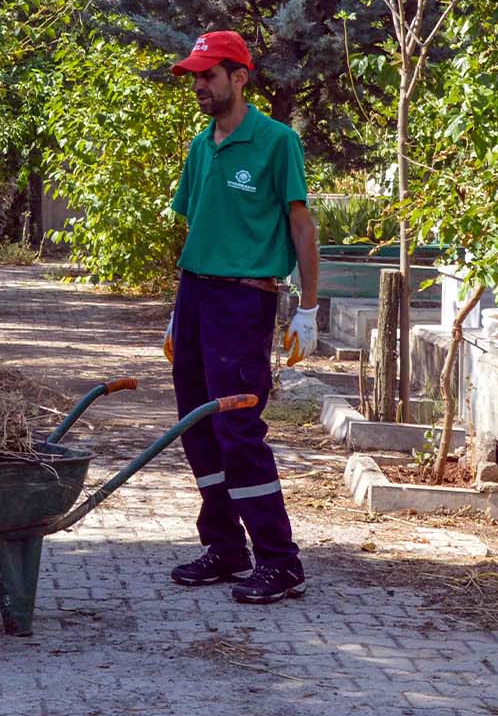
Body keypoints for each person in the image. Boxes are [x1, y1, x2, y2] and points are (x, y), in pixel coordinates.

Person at [160, 31, 320, 604]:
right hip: (196, 295)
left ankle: (281, 561)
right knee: (197, 426)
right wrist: (178, 310)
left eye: (209, 75)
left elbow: (301, 226)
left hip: (243, 301)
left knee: (238, 428)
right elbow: (197, 226)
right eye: (195, 77)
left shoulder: (276, 143)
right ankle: (226, 547)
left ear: (239, 76)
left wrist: (308, 306)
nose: (199, 86)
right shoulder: (202, 147)